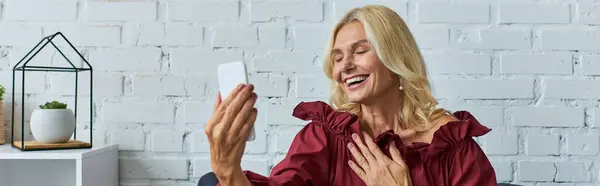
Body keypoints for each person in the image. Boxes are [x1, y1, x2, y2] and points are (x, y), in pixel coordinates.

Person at [201, 4, 497, 186]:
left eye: (360, 51)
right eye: (338, 57)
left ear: (395, 59)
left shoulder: (454, 149)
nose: (345, 66)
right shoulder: (324, 139)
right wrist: (227, 172)